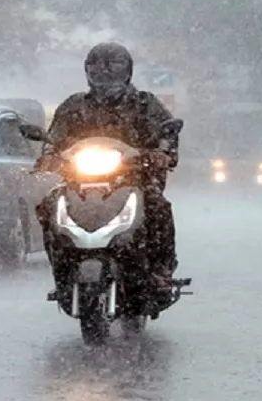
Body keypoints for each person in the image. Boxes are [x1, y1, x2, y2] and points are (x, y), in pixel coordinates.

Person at [34, 42, 180, 296]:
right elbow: (55, 137)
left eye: (113, 67)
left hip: (134, 178)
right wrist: (48, 155)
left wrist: (162, 153)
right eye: (98, 67)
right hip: (80, 181)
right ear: (88, 71)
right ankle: (62, 269)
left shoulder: (144, 104)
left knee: (157, 205)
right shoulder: (74, 106)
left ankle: (161, 269)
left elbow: (166, 132)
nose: (105, 73)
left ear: (128, 70)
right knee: (49, 206)